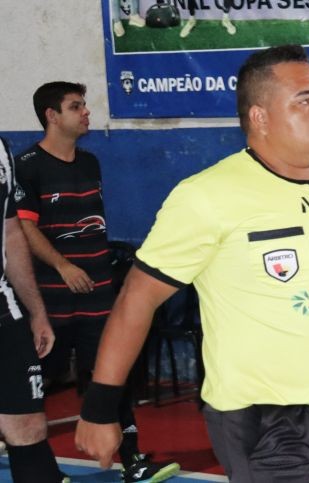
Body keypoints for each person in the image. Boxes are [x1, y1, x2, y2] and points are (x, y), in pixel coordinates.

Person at [74, 44, 309, 483]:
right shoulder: (207, 197)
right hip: (263, 421)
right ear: (259, 117)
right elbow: (137, 298)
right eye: (304, 101)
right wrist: (99, 407)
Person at [16, 82, 179, 483]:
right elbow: (23, 227)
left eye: (85, 104)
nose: (86, 112)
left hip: (98, 296)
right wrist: (64, 267)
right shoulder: (27, 165)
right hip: (52, 300)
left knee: (110, 377)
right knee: (31, 381)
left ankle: (133, 460)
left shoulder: (90, 163)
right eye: (76, 106)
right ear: (52, 116)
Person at [0, 137, 66, 483]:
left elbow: (10, 232)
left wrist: (36, 311)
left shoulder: (0, 150)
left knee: (27, 426)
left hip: (4, 312)